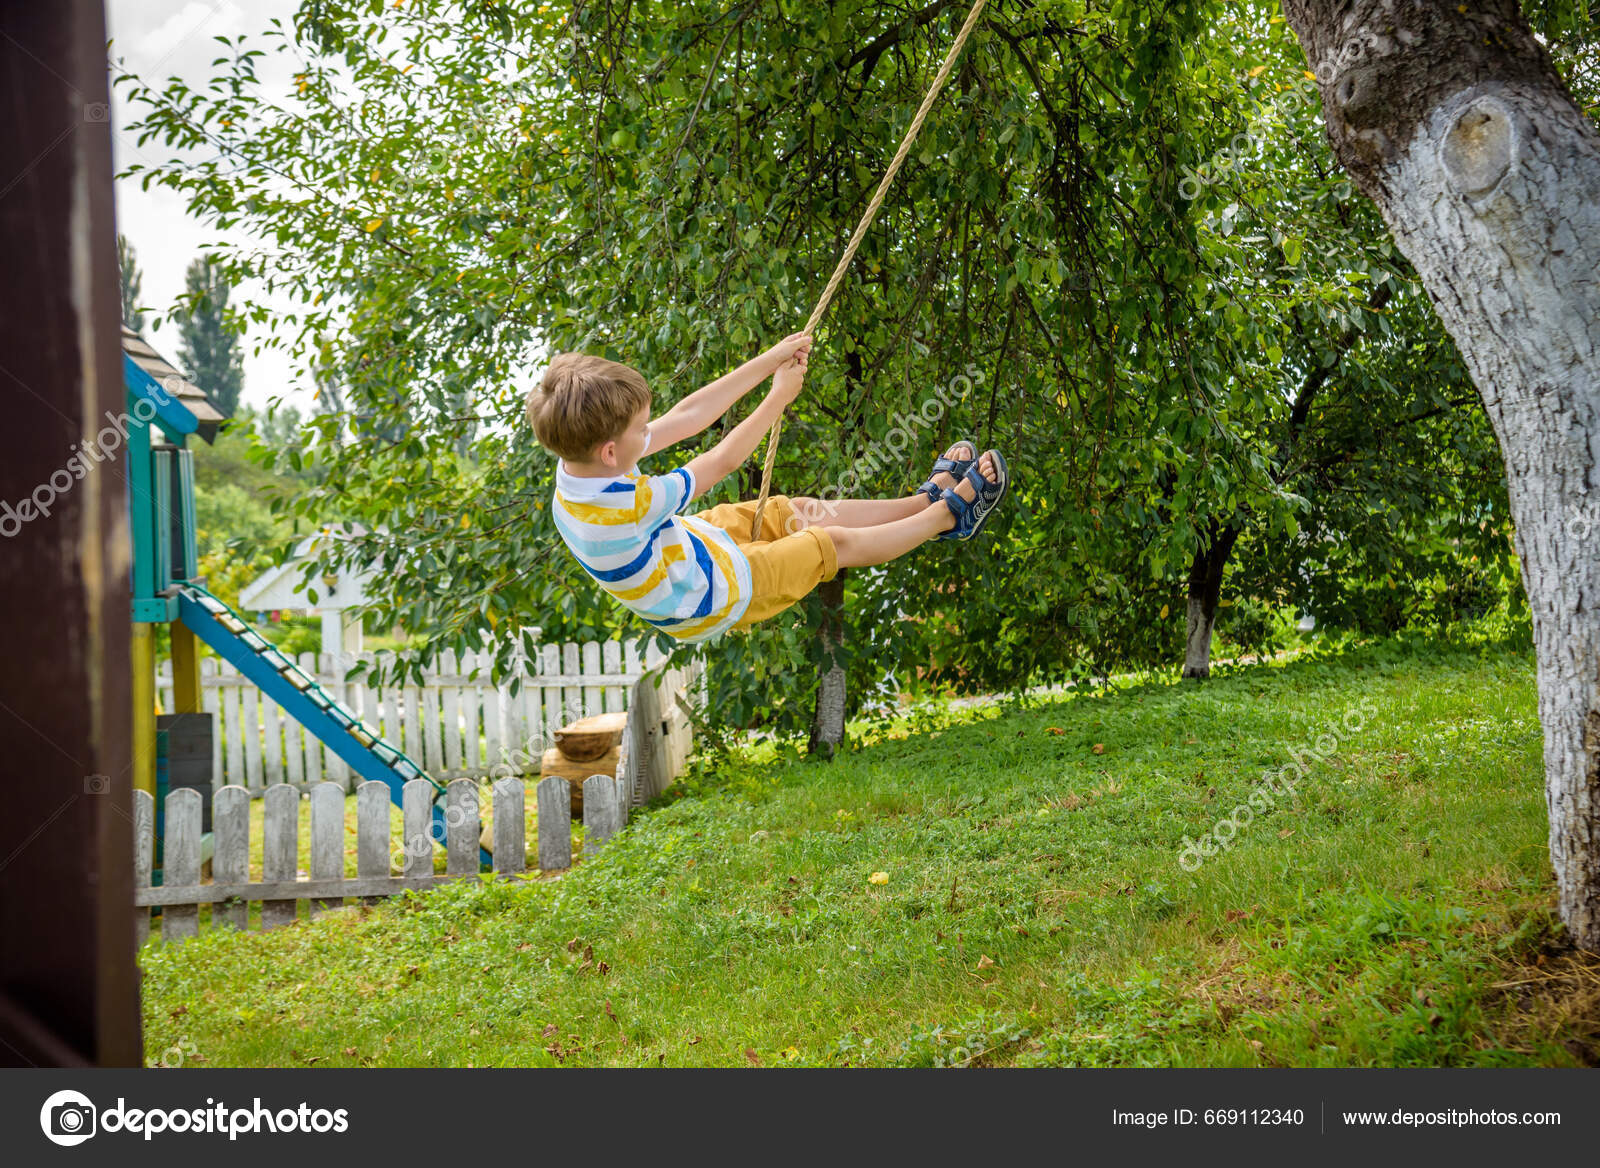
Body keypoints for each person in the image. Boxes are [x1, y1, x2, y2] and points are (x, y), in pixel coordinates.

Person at [527, 333, 1007, 643]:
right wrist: (779, 396)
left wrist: (771, 359)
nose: (649, 430)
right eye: (641, 428)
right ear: (611, 452)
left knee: (792, 512)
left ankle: (921, 500)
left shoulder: (580, 464)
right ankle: (950, 516)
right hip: (705, 597)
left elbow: (689, 417)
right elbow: (723, 460)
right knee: (826, 542)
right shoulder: (627, 507)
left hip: (686, 547)